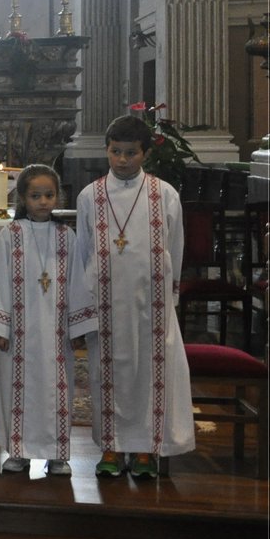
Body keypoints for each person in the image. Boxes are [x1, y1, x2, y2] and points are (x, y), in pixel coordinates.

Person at [68, 115, 195, 480]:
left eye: (131, 153)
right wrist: (82, 306)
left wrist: (168, 298)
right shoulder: (89, 196)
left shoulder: (164, 194)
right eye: (116, 152)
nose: (122, 160)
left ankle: (145, 449)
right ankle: (111, 446)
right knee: (106, 372)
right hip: (104, 302)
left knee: (147, 373)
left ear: (145, 153)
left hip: (149, 304)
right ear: (106, 150)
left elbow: (176, 247)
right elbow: (83, 252)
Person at [0, 164, 77, 477]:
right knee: (17, 388)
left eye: (49, 195)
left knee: (56, 390)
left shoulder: (67, 236)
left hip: (56, 331)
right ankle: (18, 451)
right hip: (19, 334)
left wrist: (77, 326)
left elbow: (77, 282)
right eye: (36, 196)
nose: (44, 202)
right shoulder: (10, 236)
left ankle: (58, 453)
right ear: (22, 197)